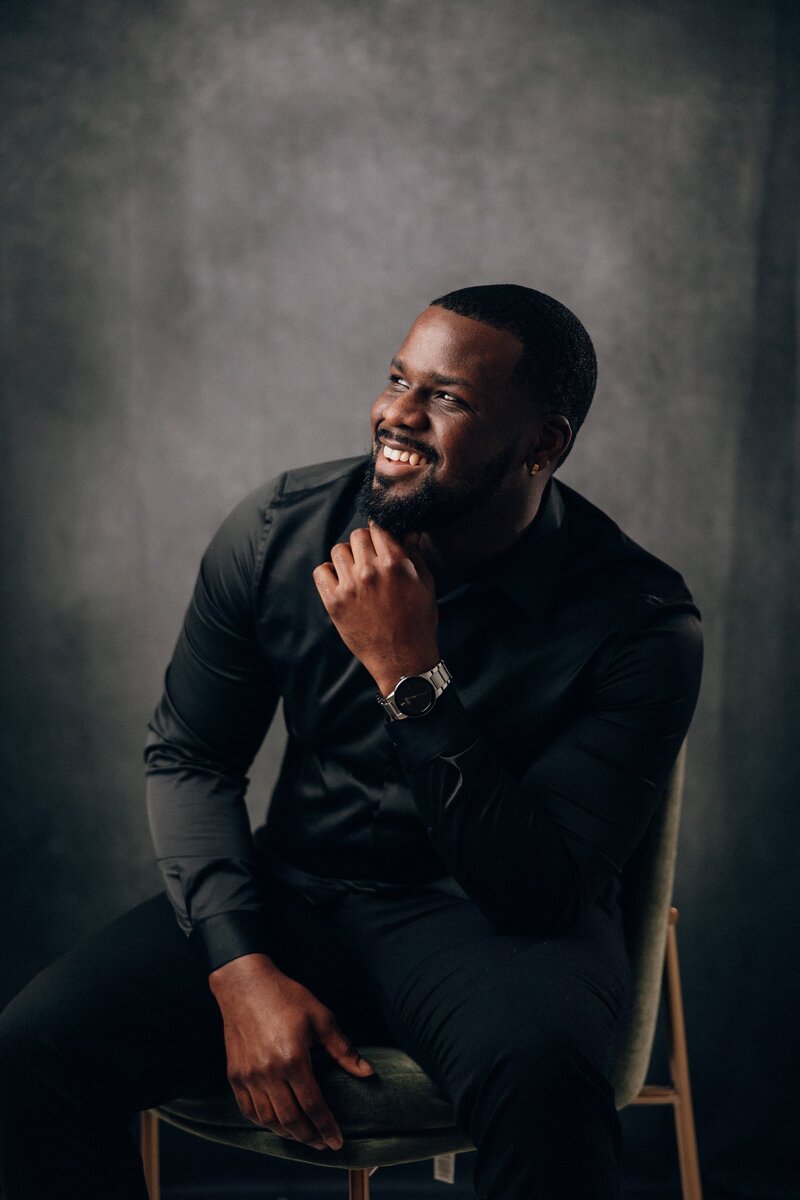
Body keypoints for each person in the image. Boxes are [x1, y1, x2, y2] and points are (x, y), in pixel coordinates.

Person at [0, 284, 703, 1199]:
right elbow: (190, 756)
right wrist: (240, 969)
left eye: (446, 398)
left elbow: (538, 891)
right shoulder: (278, 533)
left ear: (543, 443)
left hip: (491, 926)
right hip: (296, 890)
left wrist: (412, 677)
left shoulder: (640, 621)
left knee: (546, 1081)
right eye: (398, 380)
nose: (396, 416)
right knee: (31, 1053)